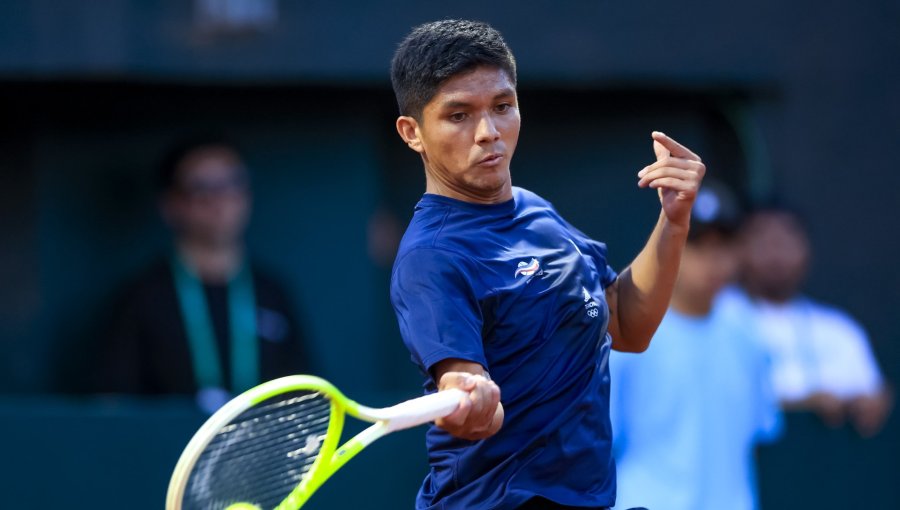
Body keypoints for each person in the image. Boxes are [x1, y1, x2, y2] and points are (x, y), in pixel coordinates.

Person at [388, 20, 705, 510]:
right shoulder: (432, 257)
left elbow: (625, 325)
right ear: (413, 133)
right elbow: (466, 393)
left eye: (502, 107)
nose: (488, 133)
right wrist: (469, 399)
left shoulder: (537, 212)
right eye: (458, 115)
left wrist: (674, 221)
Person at [97, 137, 310, 412]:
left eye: (232, 184)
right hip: (169, 451)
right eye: (201, 188)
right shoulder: (142, 296)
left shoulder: (272, 292)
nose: (219, 200)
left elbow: (305, 395)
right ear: (170, 205)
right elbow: (111, 402)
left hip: (261, 449)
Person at [609, 182, 781, 510]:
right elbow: (600, 441)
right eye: (696, 243)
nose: (713, 260)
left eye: (724, 244)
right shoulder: (626, 331)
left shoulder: (748, 333)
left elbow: (761, 429)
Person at [728, 205, 892, 437]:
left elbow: (873, 395)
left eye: (786, 240)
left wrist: (873, 402)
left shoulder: (838, 328)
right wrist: (802, 404)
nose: (776, 253)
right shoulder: (717, 318)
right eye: (763, 240)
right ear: (738, 248)